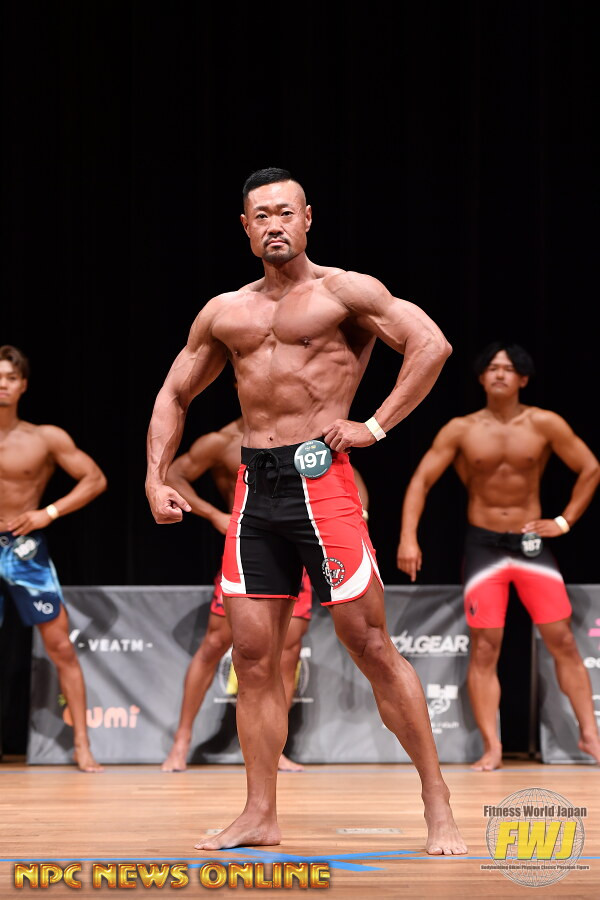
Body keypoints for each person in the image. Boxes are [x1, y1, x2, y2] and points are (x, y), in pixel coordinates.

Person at [146, 167, 466, 855]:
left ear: (308, 217)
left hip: (323, 485)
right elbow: (174, 392)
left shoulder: (345, 292)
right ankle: (259, 813)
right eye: (261, 215)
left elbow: (431, 344)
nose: (274, 225)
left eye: (285, 212)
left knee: (369, 644)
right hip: (253, 491)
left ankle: (436, 798)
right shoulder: (224, 311)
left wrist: (373, 427)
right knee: (253, 656)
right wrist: (154, 476)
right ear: (245, 227)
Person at [397, 342, 600, 771]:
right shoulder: (461, 429)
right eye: (492, 368)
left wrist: (563, 522)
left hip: (530, 544)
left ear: (523, 378)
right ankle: (492, 746)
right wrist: (408, 538)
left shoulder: (545, 423)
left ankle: (590, 735)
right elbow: (421, 480)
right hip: (484, 546)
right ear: (481, 378)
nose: (500, 374)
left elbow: (590, 468)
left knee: (562, 640)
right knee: (486, 647)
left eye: (508, 368)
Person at [161, 416, 369, 773]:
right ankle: (181, 741)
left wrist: (356, 515)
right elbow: (175, 474)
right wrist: (213, 515)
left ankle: (275, 748)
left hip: (304, 545)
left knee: (288, 652)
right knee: (215, 643)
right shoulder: (222, 441)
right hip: (254, 549)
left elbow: (350, 475)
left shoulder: (310, 434)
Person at [0, 345, 107, 772]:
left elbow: (94, 478)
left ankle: (82, 744)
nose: (2, 384)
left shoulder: (44, 437)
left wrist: (48, 513)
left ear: (23, 385)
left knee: (60, 646)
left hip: (23, 549)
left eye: (10, 377)